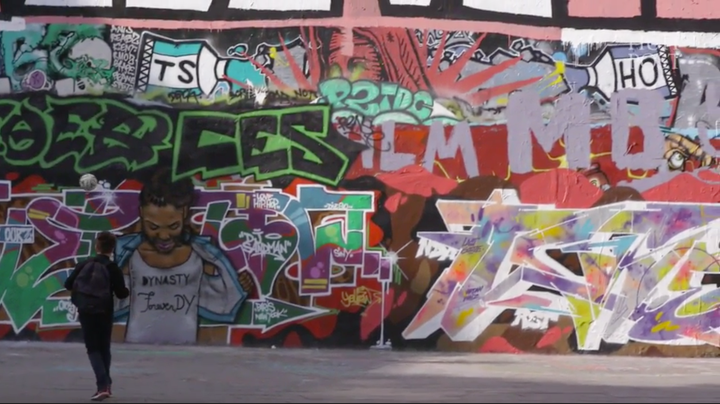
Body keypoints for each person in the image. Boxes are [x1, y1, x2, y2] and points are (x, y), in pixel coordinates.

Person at [113, 167, 248, 345]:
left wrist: (237, 286)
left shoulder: (201, 255)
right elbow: (114, 299)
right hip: (136, 350)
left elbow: (218, 298)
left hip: (186, 354)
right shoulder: (129, 255)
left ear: (184, 213)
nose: (163, 236)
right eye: (153, 227)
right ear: (141, 214)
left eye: (173, 226)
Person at [65, 231, 129, 401]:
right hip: (105, 312)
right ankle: (105, 386)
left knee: (92, 348)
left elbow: (68, 284)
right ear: (112, 248)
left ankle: (103, 386)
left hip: (86, 311)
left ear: (97, 246)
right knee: (103, 347)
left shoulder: (84, 264)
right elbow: (122, 294)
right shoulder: (112, 268)